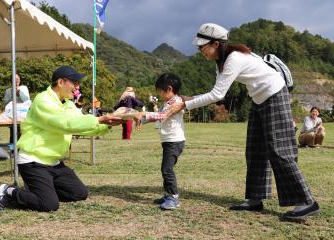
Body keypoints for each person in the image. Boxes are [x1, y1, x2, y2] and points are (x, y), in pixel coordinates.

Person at [166, 23, 319, 221]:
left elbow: (217, 95)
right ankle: (255, 199)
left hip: (274, 95)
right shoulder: (221, 62)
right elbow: (215, 92)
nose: (200, 51)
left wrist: (184, 106)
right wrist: (184, 99)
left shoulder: (234, 58)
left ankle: (307, 202)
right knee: (255, 150)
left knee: (279, 151)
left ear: (215, 43)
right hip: (258, 99)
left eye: (202, 46)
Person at [0, 66, 123, 213]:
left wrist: (107, 125)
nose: (77, 87)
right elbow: (65, 124)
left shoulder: (68, 104)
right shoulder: (43, 100)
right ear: (61, 82)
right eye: (75, 83)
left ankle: (40, 190)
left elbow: (81, 125)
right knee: (48, 205)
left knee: (79, 193)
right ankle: (9, 192)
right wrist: (99, 119)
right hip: (33, 161)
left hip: (54, 163)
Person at [134, 73, 185, 210]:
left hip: (175, 142)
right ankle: (168, 194)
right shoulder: (167, 102)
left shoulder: (177, 102)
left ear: (169, 89)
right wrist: (141, 120)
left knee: (167, 169)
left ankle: (173, 198)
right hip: (169, 141)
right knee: (166, 169)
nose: (160, 95)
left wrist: (144, 113)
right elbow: (157, 117)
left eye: (160, 92)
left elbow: (162, 115)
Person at [4, 73, 30, 144]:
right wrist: (13, 95)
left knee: (23, 133)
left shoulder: (23, 89)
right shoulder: (8, 90)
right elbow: (6, 103)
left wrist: (20, 94)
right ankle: (13, 151)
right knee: (13, 133)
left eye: (17, 79)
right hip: (11, 116)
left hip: (22, 115)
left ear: (20, 80)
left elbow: (27, 101)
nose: (16, 81)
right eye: (14, 79)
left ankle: (21, 149)